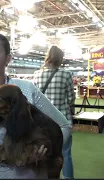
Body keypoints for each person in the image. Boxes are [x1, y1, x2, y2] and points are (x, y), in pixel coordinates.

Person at [0, 32, 72, 179]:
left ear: (8, 59)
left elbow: (64, 126)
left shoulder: (27, 88)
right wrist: (12, 155)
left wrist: (46, 149)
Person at [34, 45, 76, 179]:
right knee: (65, 153)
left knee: (43, 153)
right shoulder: (66, 74)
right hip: (62, 122)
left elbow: (34, 100)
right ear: (61, 59)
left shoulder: (37, 74)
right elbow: (71, 98)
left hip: (42, 122)